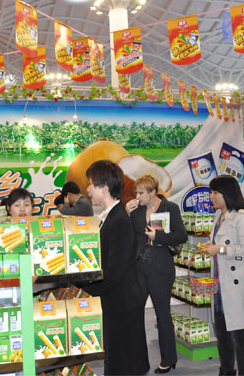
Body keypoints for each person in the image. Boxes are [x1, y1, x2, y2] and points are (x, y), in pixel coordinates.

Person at [82, 160, 150, 375]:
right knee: (117, 359)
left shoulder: (119, 220)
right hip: (116, 301)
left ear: (104, 187)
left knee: (123, 363)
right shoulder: (109, 216)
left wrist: (84, 286)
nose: (88, 189)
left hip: (123, 303)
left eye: (91, 184)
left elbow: (114, 272)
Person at [200, 175, 244, 376]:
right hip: (220, 286)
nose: (211, 196)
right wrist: (211, 248)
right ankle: (226, 371)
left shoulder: (241, 218)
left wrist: (220, 249)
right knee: (222, 334)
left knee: (240, 337)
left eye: (215, 192)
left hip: (235, 286)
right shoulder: (217, 217)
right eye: (211, 192)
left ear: (226, 194)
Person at [125, 174, 187, 374]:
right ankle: (136, 359)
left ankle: (168, 359)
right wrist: (126, 214)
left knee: (162, 314)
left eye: (141, 193)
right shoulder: (136, 210)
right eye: (136, 192)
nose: (137, 197)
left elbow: (181, 235)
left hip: (161, 269)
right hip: (139, 268)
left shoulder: (170, 208)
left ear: (152, 192)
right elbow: (128, 236)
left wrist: (158, 236)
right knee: (134, 313)